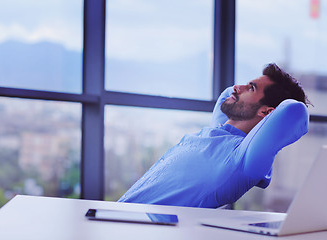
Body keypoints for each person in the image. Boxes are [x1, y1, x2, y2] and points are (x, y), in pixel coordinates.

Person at [118, 63, 310, 208]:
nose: (237, 87)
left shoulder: (244, 160)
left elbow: (294, 111)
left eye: (251, 88)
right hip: (114, 214)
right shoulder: (211, 134)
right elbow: (227, 94)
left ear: (267, 113)